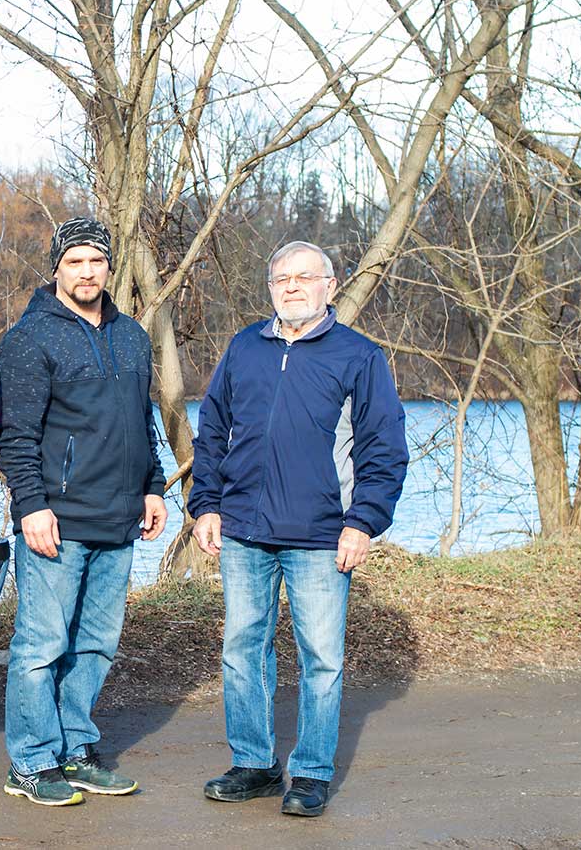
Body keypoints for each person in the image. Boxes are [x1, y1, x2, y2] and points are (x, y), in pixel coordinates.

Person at [190, 240, 408, 818]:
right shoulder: (244, 348)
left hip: (320, 535)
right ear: (270, 287)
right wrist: (205, 505)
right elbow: (211, 430)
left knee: (321, 658)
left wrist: (363, 521)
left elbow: (383, 449)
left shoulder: (358, 356)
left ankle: (310, 772)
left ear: (329, 286)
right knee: (242, 649)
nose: (291, 287)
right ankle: (255, 765)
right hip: (242, 530)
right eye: (281, 278)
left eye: (303, 277)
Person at [0, 216, 168, 806]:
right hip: (57, 524)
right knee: (41, 646)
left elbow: (140, 422)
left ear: (109, 268)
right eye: (75, 261)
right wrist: (31, 507)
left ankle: (75, 748)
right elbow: (14, 436)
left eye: (96, 260)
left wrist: (153, 486)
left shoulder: (132, 336)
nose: (86, 271)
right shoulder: (30, 339)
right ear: (56, 268)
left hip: (119, 520)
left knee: (95, 644)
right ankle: (32, 760)